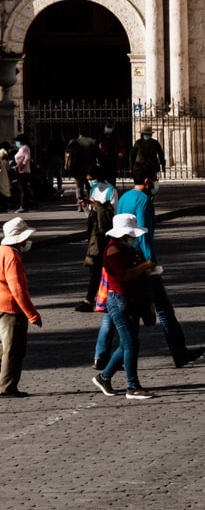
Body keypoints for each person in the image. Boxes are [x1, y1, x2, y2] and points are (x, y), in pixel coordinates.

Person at [116, 170, 202, 371]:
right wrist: (151, 263)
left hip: (128, 258)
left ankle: (104, 356)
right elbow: (144, 234)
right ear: (147, 181)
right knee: (163, 310)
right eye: (155, 179)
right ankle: (179, 352)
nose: (156, 183)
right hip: (143, 262)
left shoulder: (125, 197)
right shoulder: (144, 201)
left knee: (124, 313)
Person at [92, 213, 156, 401]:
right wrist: (145, 266)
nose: (134, 238)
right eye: (131, 234)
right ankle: (132, 386)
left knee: (129, 342)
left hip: (131, 299)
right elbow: (124, 275)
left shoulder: (126, 249)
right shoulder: (113, 250)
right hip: (119, 301)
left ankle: (104, 377)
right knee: (130, 343)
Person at [0, 215, 41, 398]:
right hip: (8, 309)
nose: (28, 240)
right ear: (20, 238)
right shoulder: (12, 257)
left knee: (7, 344)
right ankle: (7, 387)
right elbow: (18, 290)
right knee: (15, 349)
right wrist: (32, 314)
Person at [78, 180, 117, 313]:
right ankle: (94, 299)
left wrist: (97, 205)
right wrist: (86, 206)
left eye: (92, 178)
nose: (90, 181)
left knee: (100, 267)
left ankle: (91, 300)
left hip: (106, 234)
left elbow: (113, 213)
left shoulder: (110, 191)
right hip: (95, 233)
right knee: (95, 267)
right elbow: (90, 214)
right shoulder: (93, 190)